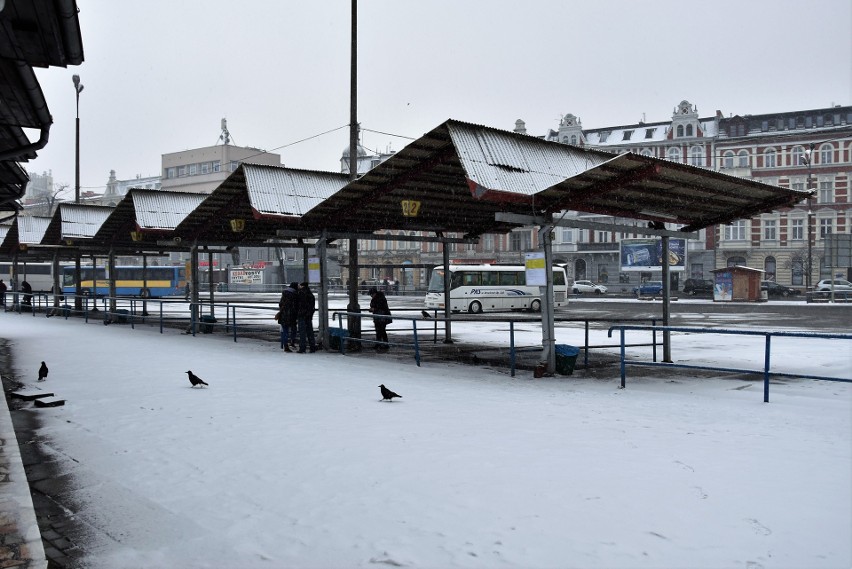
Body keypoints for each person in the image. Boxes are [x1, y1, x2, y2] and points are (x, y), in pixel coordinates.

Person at [368, 286, 392, 351]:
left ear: (374, 293)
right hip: (378, 317)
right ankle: (380, 343)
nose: (371, 296)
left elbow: (381, 306)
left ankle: (384, 344)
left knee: (381, 330)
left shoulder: (380, 298)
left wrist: (374, 309)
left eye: (371, 294)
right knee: (379, 330)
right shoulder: (376, 298)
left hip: (382, 317)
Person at [296, 282, 317, 353]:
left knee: (302, 332)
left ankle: (302, 347)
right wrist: (310, 313)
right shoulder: (310, 294)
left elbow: (298, 304)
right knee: (310, 332)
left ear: (302, 286)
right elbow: (312, 306)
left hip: (302, 315)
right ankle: (312, 347)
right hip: (308, 315)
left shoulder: (300, 294)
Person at [277, 282, 298, 352]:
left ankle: (285, 344)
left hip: (284, 315)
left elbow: (280, 304)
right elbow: (296, 306)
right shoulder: (295, 295)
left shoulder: (284, 294)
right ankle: (292, 342)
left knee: (285, 330)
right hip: (292, 315)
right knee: (293, 329)